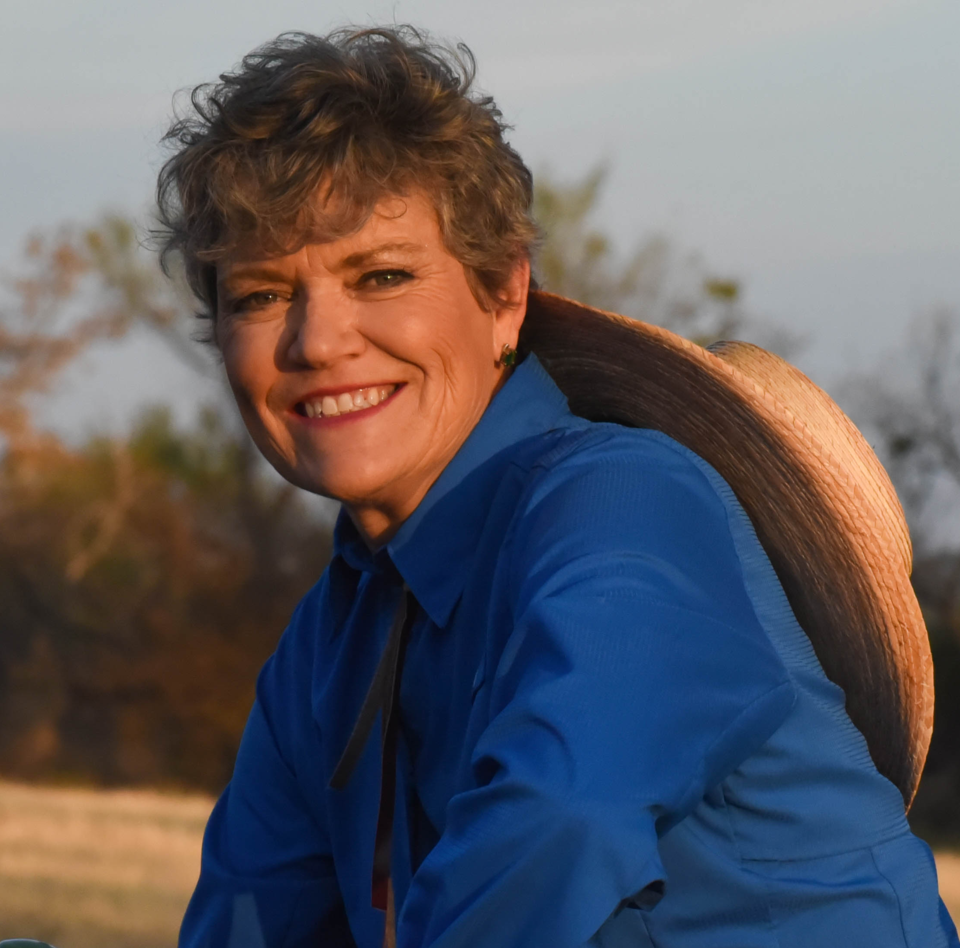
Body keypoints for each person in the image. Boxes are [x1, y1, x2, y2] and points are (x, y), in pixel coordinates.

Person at [156, 26, 958, 948]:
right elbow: (250, 923)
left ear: (504, 295)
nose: (316, 342)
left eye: (380, 276)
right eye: (259, 295)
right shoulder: (329, 645)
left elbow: (562, 818)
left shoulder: (622, 506)